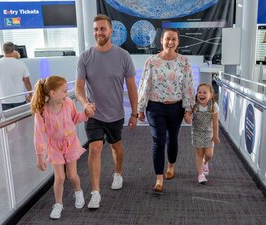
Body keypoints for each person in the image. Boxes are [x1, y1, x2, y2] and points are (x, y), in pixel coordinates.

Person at [76, 14, 138, 209]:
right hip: (93, 114)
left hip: (115, 113)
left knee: (116, 147)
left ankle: (117, 173)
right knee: (94, 148)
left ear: (111, 31)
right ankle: (95, 192)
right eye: (96, 29)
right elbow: (78, 88)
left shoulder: (123, 56)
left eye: (102, 29)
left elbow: (132, 87)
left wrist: (135, 113)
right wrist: (85, 103)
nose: (98, 32)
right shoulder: (85, 57)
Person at [137, 28, 195, 194]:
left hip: (176, 108)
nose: (170, 42)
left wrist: (188, 109)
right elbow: (144, 85)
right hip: (155, 108)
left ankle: (171, 165)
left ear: (178, 42)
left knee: (172, 139)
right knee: (158, 141)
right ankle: (159, 179)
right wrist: (140, 108)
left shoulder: (184, 61)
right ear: (161, 40)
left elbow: (188, 86)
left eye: (174, 39)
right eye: (167, 39)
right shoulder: (152, 61)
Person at [31, 75, 90, 219]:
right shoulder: (42, 111)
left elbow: (75, 118)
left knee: (72, 175)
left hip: (70, 144)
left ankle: (78, 191)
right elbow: (39, 134)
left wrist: (86, 114)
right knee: (60, 177)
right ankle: (58, 204)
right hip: (54, 147)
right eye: (64, 91)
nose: (67, 93)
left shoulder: (68, 103)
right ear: (52, 93)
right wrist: (40, 156)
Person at [184, 83, 220, 184]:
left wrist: (215, 136)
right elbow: (188, 120)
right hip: (197, 132)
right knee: (199, 153)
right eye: (199, 92)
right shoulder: (194, 105)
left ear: (210, 95)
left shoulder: (213, 106)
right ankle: (200, 174)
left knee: (209, 154)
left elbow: (215, 123)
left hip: (209, 133)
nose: (201, 94)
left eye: (205, 93)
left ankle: (205, 163)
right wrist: (187, 118)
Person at [0, 42, 32, 110]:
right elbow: (27, 81)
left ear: (3, 50)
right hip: (19, 98)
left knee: (7, 120)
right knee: (21, 119)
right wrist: (30, 94)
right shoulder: (21, 63)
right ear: (14, 50)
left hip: (2, 99)